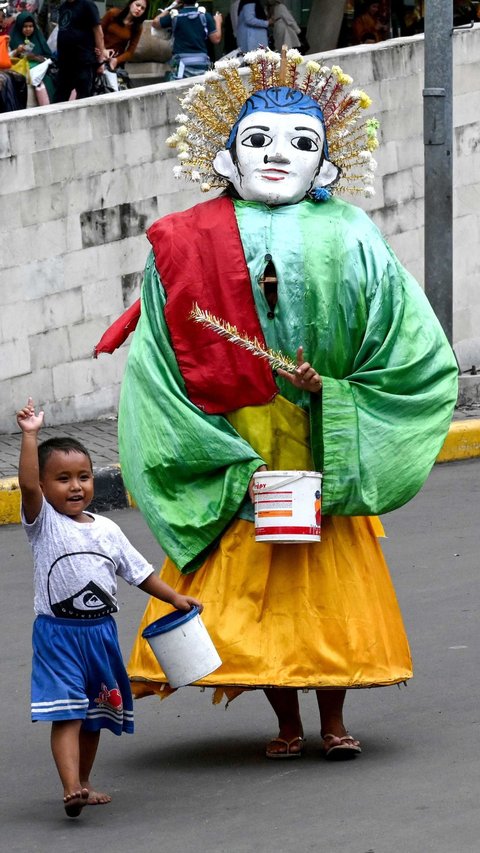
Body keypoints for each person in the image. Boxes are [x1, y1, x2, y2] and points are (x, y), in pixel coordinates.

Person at [96, 50, 458, 761]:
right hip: (241, 438)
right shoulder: (184, 241)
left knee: (325, 586)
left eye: (300, 142)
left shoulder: (352, 233)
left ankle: (333, 719)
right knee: (257, 588)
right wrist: (201, 437)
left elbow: (411, 345)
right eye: (257, 139)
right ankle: (287, 721)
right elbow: (159, 358)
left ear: (324, 168)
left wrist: (339, 390)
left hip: (326, 435)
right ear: (227, 157)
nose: (275, 155)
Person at [16, 397, 202, 817]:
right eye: (62, 479)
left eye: (83, 476)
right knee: (66, 713)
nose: (76, 486)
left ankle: (83, 782)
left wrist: (174, 597)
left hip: (100, 634)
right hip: (57, 634)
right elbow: (26, 485)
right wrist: (30, 436)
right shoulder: (43, 523)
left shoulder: (108, 530)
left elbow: (139, 573)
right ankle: (69, 787)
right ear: (44, 489)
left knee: (95, 713)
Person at [152, 0, 222, 80]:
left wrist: (171, 7)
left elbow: (155, 23)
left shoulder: (175, 16)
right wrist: (218, 21)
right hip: (201, 64)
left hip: (181, 65)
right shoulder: (205, 16)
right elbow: (216, 39)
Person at [54, 0, 109, 101]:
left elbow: (98, 32)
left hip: (83, 62)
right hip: (65, 64)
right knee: (58, 99)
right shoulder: (63, 7)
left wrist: (100, 61)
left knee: (83, 100)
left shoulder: (88, 4)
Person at [8, 11, 56, 101]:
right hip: (20, 74)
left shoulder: (38, 37)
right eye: (25, 26)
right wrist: (17, 51)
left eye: (31, 26)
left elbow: (48, 56)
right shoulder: (12, 39)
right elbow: (7, 58)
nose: (28, 29)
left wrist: (35, 57)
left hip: (40, 73)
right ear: (19, 26)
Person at [101, 0, 147, 71]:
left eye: (142, 8)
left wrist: (116, 60)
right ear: (130, 4)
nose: (139, 9)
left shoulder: (137, 27)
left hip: (115, 60)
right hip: (99, 52)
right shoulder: (112, 13)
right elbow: (98, 32)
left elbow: (130, 52)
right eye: (137, 5)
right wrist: (102, 49)